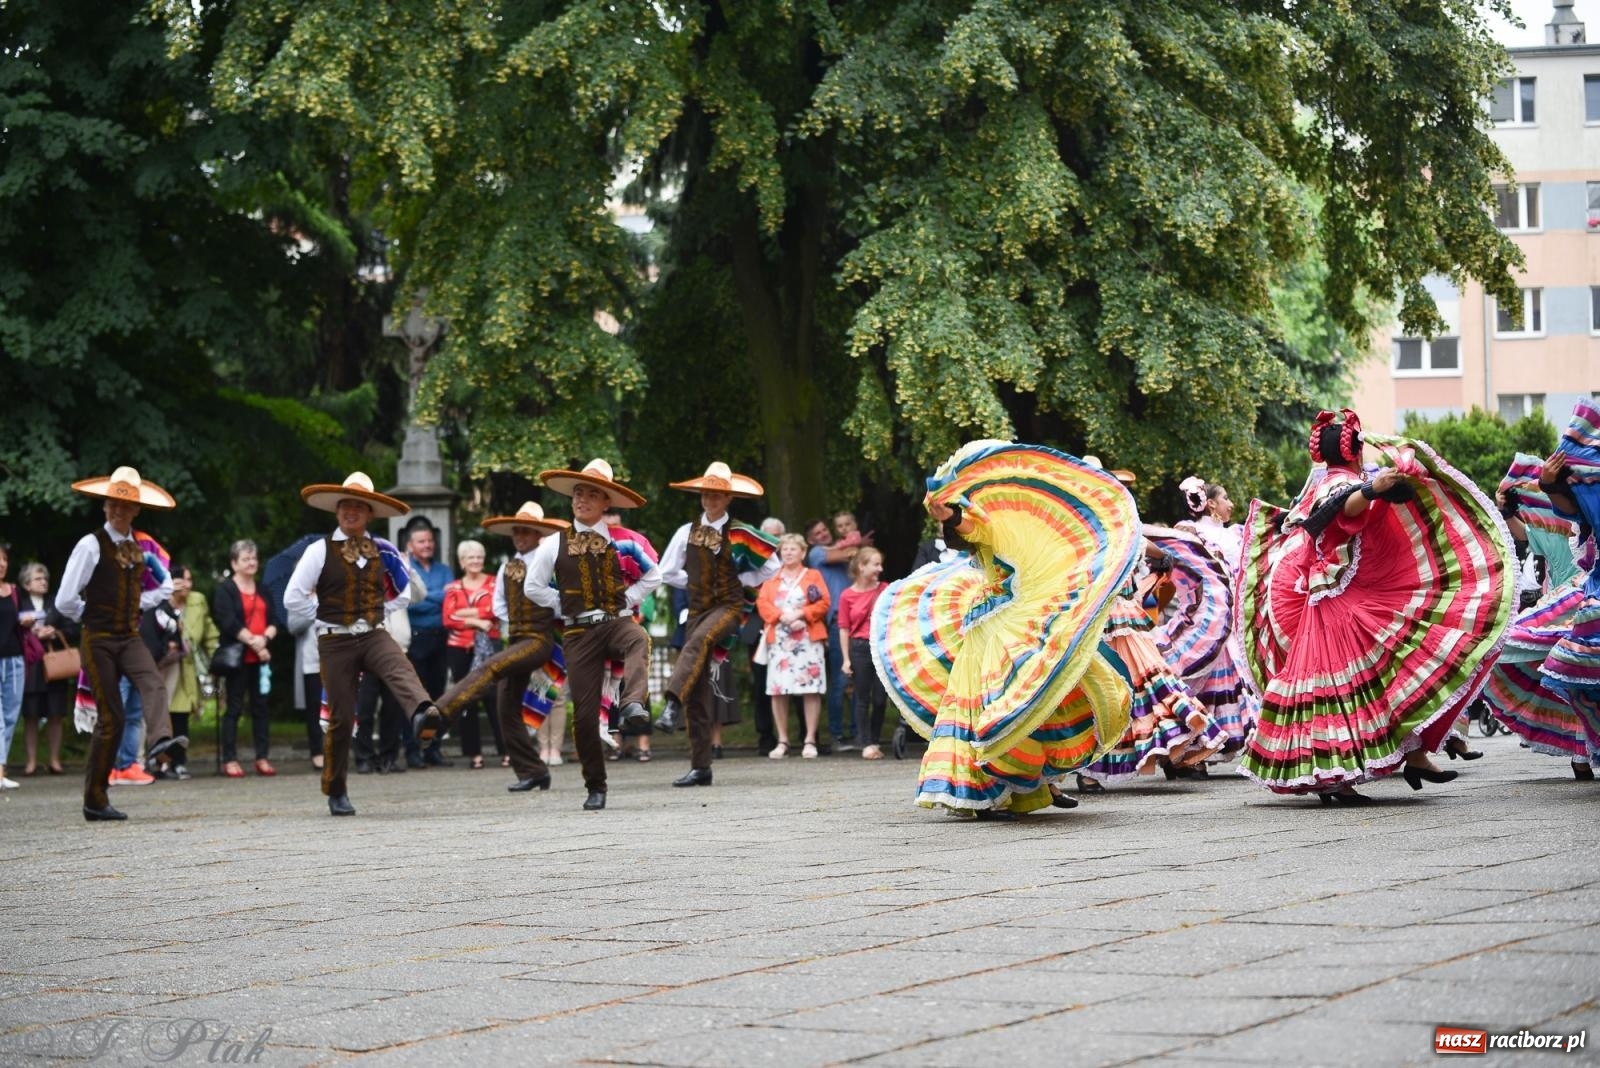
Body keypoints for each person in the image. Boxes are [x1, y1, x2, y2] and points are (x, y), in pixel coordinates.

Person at [1237, 409, 1515, 802]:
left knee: (1390, 673)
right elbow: (1334, 515)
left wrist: (1386, 487)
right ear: (1352, 450)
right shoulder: (1339, 484)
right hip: (1334, 606)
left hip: (1346, 596)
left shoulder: (1342, 480)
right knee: (1359, 681)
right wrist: (1371, 491)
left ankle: (1414, 756)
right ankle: (1338, 775)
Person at [872, 441, 1137, 817]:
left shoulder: (1022, 526)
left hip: (1010, 618)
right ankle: (981, 790)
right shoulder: (990, 524)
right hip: (992, 627)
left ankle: (1037, 783)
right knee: (1004, 702)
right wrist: (950, 516)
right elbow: (970, 531)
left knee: (1040, 695)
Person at [283, 472, 441, 817]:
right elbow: (292, 597)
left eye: (358, 506)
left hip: (371, 632)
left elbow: (404, 591)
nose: (351, 511)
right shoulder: (318, 550)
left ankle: (422, 714)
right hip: (335, 640)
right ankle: (336, 789)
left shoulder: (384, 549)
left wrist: (378, 610)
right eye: (345, 506)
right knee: (341, 718)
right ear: (337, 511)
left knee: (398, 664)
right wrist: (325, 614)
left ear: (369, 513)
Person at [523, 459, 660, 811]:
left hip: (616, 619)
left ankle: (631, 703)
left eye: (592, 494)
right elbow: (533, 586)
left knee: (638, 639)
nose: (582, 499)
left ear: (606, 503)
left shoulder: (626, 541)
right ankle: (595, 785)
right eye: (578, 493)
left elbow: (654, 576)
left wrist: (628, 599)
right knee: (583, 716)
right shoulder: (553, 543)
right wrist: (563, 603)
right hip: (579, 630)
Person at [56, 466, 184, 821]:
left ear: (136, 510)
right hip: (98, 638)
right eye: (113, 504)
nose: (119, 510)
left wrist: (135, 605)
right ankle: (95, 798)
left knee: (153, 681)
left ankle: (160, 741)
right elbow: (64, 600)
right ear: (105, 505)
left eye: (126, 506)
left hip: (128, 635)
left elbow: (165, 586)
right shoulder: (90, 544)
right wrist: (91, 612)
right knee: (110, 717)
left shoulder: (139, 548)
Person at [653, 462, 780, 787]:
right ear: (701, 495)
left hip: (729, 607)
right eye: (707, 493)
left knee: (699, 641)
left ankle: (669, 705)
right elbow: (666, 572)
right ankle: (701, 767)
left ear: (728, 498)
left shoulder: (739, 531)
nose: (711, 498)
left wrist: (741, 578)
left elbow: (772, 565)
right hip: (697, 610)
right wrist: (692, 582)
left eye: (718, 494)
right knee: (696, 690)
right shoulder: (686, 531)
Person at [435, 502, 568, 793]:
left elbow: (565, 601)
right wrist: (517, 621)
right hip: (518, 639)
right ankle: (533, 772)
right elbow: (498, 606)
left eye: (526, 530)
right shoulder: (507, 566)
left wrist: (539, 617)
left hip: (540, 639)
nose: (520, 535)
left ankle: (442, 712)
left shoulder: (550, 561)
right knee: (505, 705)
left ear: (537, 534)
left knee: (490, 666)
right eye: (516, 530)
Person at [1537, 400, 1600, 764]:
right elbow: (1571, 507)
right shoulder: (1588, 490)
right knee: (1579, 666)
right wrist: (1548, 482)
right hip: (1590, 591)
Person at [211, 540, 280, 778]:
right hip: (237, 659)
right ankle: (230, 759)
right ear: (234, 563)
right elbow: (228, 622)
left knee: (261, 709)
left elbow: (275, 620)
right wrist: (255, 643)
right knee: (235, 708)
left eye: (254, 558)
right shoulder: (226, 590)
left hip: (261, 658)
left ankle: (262, 757)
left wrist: (265, 641)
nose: (251, 563)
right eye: (245, 559)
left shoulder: (264, 589)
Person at [757, 534, 830, 758]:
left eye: (793, 549)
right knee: (778, 690)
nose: (788, 552)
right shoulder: (772, 579)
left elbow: (824, 602)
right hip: (780, 640)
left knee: (810, 688)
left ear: (803, 552)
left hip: (808, 638)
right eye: (784, 549)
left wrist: (802, 613)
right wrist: (781, 616)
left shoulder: (813, 576)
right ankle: (783, 740)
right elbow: (762, 603)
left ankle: (809, 739)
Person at [441, 538, 506, 769]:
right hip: (459, 649)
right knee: (466, 698)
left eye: (479, 557)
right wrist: (479, 620)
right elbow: (448, 618)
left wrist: (467, 614)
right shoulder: (453, 588)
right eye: (471, 557)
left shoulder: (493, 583)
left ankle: (506, 751)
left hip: (490, 646)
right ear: (462, 562)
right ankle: (474, 754)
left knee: (495, 697)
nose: (476, 561)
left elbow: (496, 611)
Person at [805, 513, 869, 749]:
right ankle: (836, 734)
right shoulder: (817, 553)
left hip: (860, 619)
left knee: (860, 679)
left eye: (825, 530)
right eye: (818, 534)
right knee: (840, 679)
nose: (824, 534)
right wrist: (858, 543)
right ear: (811, 540)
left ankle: (858, 732)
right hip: (836, 621)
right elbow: (844, 554)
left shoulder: (848, 547)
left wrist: (857, 546)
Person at [153, 563, 217, 780]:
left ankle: (179, 762)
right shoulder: (162, 600)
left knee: (181, 716)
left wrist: (216, 654)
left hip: (189, 666)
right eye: (181, 581)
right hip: (166, 664)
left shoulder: (198, 601)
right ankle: (162, 762)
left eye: (190, 580)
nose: (187, 585)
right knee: (165, 714)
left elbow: (208, 630)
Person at [402, 518, 452, 766]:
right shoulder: (405, 569)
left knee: (436, 699)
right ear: (410, 545)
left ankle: (432, 749)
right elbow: (410, 603)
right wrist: (436, 597)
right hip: (416, 639)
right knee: (415, 698)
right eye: (422, 541)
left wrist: (426, 598)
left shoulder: (443, 569)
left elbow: (450, 598)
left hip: (440, 638)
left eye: (430, 540)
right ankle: (412, 751)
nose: (427, 545)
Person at [16, 562, 74, 776]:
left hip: (54, 665)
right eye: (38, 578)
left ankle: (54, 760)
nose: (43, 582)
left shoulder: (56, 604)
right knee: (31, 715)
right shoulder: (19, 604)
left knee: (55, 713)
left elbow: (71, 628)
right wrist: (29, 632)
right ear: (26, 583)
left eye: (45, 578)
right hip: (31, 667)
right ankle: (30, 761)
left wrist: (54, 631)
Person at [837, 546, 888, 759]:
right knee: (862, 697)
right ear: (862, 566)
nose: (880, 568)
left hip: (881, 646)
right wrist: (846, 659)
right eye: (875, 564)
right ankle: (866, 743)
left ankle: (875, 739)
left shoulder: (885, 589)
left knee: (880, 698)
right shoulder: (847, 596)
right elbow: (843, 628)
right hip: (859, 648)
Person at [748, 517, 786, 754]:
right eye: (767, 535)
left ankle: (804, 735)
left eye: (776, 536)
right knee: (761, 684)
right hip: (757, 628)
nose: (772, 541)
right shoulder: (750, 562)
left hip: (789, 627)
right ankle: (765, 735)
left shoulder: (792, 562)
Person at [1178, 476, 1243, 574]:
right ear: (1211, 503)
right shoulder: (1192, 531)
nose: (1231, 504)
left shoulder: (1235, 533)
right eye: (1226, 498)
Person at [0, 544, 26, 790]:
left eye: (4, 559)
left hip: (15, 660)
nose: (1, 563)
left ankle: (2, 769)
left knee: (10, 716)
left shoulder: (15, 591)